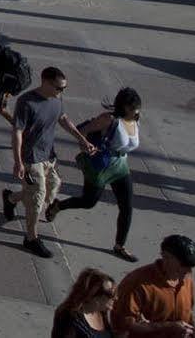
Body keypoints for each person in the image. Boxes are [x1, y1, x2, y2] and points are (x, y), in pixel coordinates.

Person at [2, 66, 96, 258]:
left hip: (49, 156)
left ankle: (11, 199)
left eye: (64, 88)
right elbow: (17, 132)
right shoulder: (26, 102)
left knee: (52, 189)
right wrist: (18, 161)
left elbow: (63, 119)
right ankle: (31, 238)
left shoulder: (56, 99)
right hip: (31, 158)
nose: (61, 92)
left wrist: (82, 140)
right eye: (58, 88)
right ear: (45, 82)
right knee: (37, 199)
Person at [48, 87, 142, 263]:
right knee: (88, 202)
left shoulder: (136, 120)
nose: (136, 112)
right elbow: (81, 131)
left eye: (137, 108)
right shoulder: (109, 119)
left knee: (127, 206)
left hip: (120, 166)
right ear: (123, 106)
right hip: (100, 166)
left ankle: (119, 246)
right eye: (132, 108)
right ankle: (58, 206)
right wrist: (86, 146)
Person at [110, 234, 195, 338]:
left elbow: (189, 317)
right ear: (166, 257)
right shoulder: (137, 283)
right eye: (184, 265)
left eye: (191, 265)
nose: (189, 270)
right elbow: (123, 326)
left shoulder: (186, 280)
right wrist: (167, 327)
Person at [52, 268, 120, 338]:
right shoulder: (68, 318)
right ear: (93, 296)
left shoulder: (100, 312)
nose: (115, 298)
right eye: (111, 294)